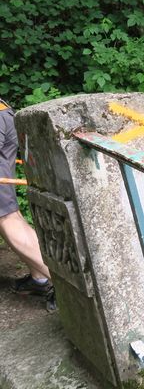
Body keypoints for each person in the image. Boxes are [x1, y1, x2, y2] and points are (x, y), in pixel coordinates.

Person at [0, 98, 56, 310]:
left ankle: (63, 285)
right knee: (7, 213)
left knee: (6, 218)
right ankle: (39, 277)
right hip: (3, 113)